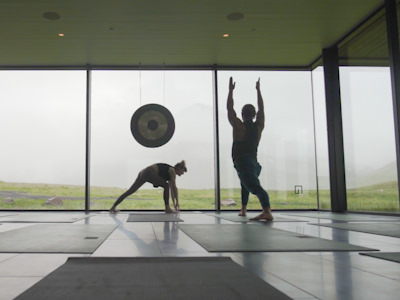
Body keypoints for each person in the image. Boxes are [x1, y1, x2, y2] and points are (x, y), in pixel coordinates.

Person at [227, 77, 273, 221]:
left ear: (242, 114)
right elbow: (262, 108)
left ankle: (267, 211)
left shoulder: (238, 126)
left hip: (243, 163)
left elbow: (229, 108)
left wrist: (230, 91)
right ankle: (243, 209)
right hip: (253, 163)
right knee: (244, 184)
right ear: (254, 115)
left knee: (254, 188)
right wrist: (258, 90)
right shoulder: (259, 126)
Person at [109, 161, 187, 213]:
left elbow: (172, 190)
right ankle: (167, 208)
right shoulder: (172, 171)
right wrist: (176, 204)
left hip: (143, 172)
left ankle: (113, 207)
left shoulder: (170, 172)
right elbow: (174, 188)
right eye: (182, 172)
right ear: (179, 168)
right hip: (149, 172)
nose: (182, 174)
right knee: (166, 185)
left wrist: (176, 203)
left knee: (130, 191)